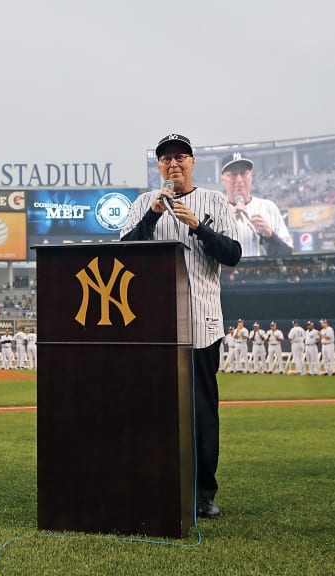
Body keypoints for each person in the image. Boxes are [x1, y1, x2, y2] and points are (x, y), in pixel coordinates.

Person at [121, 133, 241, 519]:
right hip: (153, 327)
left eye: (180, 157)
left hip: (202, 321)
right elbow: (122, 251)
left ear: (192, 163)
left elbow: (233, 254)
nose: (173, 164)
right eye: (165, 159)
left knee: (203, 411)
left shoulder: (214, 201)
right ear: (158, 166)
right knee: (153, 409)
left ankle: (204, 492)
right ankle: (155, 482)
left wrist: (198, 227)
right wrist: (155, 214)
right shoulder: (144, 203)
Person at [219, 152, 293, 258]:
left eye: (243, 173)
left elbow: (287, 253)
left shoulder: (268, 207)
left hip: (262, 273)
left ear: (251, 177)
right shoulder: (212, 211)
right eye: (233, 175)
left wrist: (270, 235)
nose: (239, 180)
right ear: (222, 179)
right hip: (226, 273)